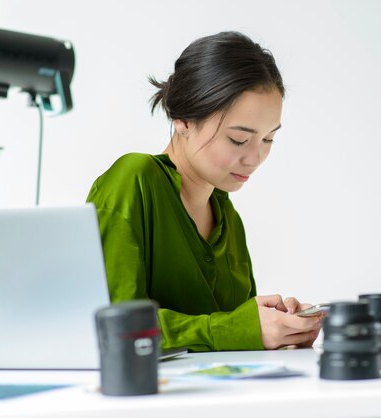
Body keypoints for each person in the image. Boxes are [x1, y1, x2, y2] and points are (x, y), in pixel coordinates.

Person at [87, 31, 322, 352]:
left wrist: (278, 327)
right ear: (183, 119)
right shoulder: (135, 181)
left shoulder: (227, 216)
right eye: (239, 139)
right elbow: (112, 329)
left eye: (268, 139)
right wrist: (239, 329)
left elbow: (224, 336)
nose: (255, 157)